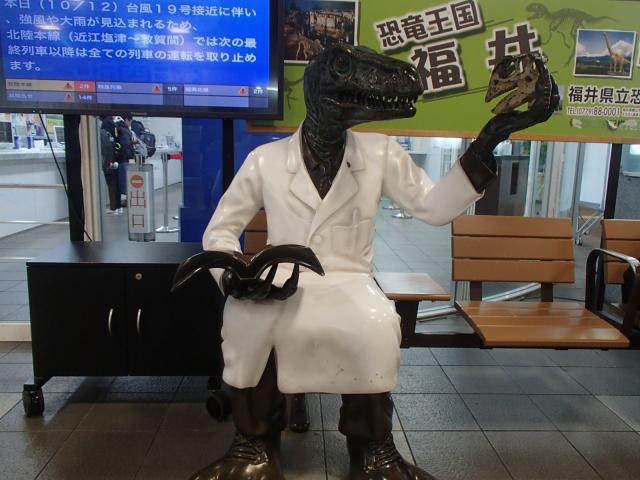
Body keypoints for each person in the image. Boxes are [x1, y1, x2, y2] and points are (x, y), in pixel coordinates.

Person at [195, 45, 558, 480]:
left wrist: (491, 137)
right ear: (315, 88)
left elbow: (433, 207)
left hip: (350, 279)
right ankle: (253, 445)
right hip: (281, 280)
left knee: (375, 323)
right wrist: (233, 274)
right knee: (246, 317)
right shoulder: (265, 160)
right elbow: (219, 231)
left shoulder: (381, 153)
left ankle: (373, 450)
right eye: (344, 68)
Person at [98, 116, 121, 214]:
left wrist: (106, 164)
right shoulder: (110, 134)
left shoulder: (101, 133)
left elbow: (102, 150)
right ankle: (117, 207)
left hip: (107, 162)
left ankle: (113, 208)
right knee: (115, 184)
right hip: (113, 161)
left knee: (111, 185)